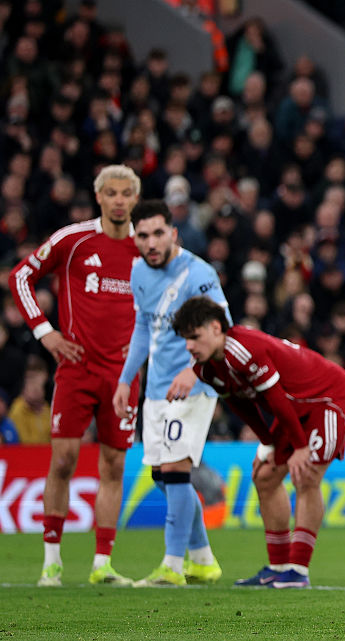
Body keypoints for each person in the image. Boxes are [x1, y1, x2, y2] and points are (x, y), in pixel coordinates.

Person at [8, 165, 143, 587]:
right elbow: (20, 276)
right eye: (111, 193)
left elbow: (171, 302)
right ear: (98, 197)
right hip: (76, 369)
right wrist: (45, 332)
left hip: (124, 376)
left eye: (126, 193)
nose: (119, 200)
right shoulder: (74, 239)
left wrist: (147, 347)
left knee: (114, 465)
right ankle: (51, 561)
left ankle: (102, 564)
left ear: (135, 199)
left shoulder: (148, 247)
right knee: (63, 460)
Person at [171, 295, 345, 589]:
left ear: (216, 328)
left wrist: (300, 448)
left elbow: (275, 397)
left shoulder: (243, 349)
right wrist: (268, 443)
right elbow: (241, 405)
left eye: (194, 337)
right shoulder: (207, 368)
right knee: (265, 477)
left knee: (306, 474)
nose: (189, 346)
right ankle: (278, 566)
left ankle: (297, 570)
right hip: (294, 409)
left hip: (328, 398)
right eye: (185, 339)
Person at [112, 200, 228, 587]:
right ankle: (202, 559)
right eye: (143, 235)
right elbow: (143, 329)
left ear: (173, 233)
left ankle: (172, 566)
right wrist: (126, 380)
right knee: (162, 476)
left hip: (194, 386)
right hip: (157, 390)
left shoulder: (199, 274)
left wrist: (194, 370)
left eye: (158, 233)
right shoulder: (138, 272)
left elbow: (224, 329)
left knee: (176, 473)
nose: (151, 243)